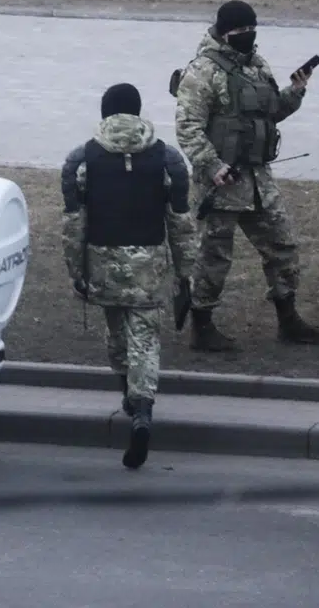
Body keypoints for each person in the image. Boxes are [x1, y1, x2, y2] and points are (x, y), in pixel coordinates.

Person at [173, 0, 319, 352]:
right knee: (214, 256)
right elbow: (187, 127)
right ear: (224, 32)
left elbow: (270, 113)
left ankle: (288, 319)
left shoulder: (257, 66)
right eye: (240, 31)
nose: (247, 36)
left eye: (251, 29)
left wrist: (296, 91)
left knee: (282, 246)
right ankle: (202, 325)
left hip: (258, 180)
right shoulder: (202, 72)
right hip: (221, 183)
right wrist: (212, 167)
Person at [60, 82, 197, 470]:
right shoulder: (167, 159)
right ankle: (142, 411)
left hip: (103, 265)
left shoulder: (81, 160)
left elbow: (73, 224)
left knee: (117, 336)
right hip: (149, 267)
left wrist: (76, 271)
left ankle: (125, 391)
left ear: (105, 114)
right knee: (145, 342)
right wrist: (185, 275)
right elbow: (181, 224)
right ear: (138, 113)